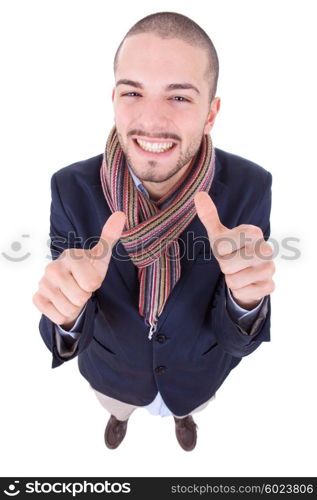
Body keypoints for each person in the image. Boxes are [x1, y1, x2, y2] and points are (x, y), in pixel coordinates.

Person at [33, 12, 275, 452]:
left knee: (186, 405)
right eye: (133, 92)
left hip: (196, 373)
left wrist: (246, 300)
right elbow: (64, 323)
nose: (151, 120)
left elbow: (242, 319)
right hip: (114, 373)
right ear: (114, 98)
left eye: (180, 98)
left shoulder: (251, 186)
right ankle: (118, 418)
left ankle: (183, 418)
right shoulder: (69, 188)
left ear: (210, 113)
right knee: (118, 404)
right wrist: (66, 314)